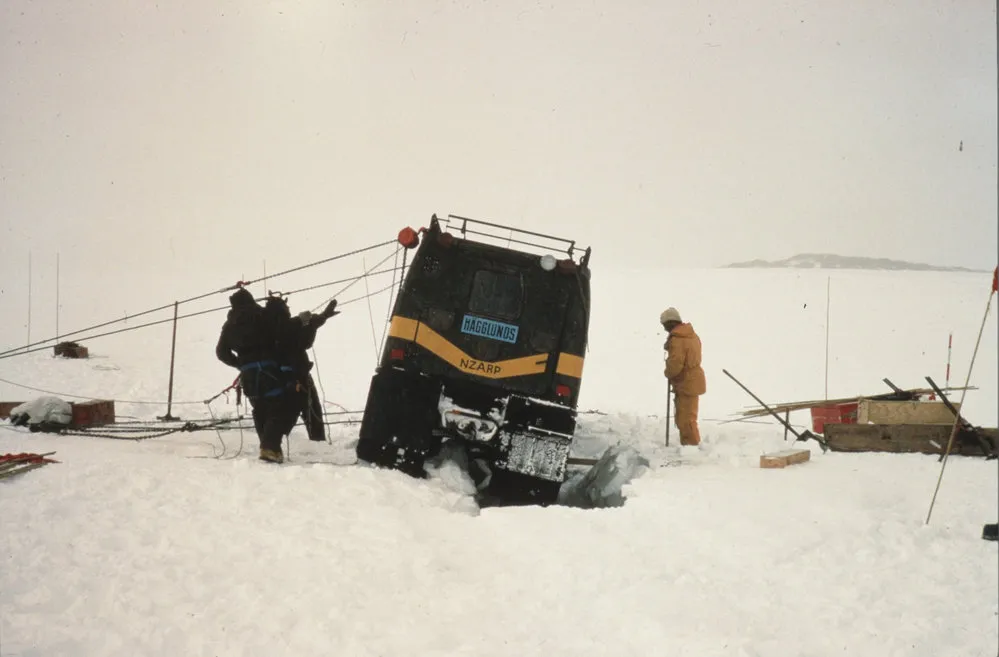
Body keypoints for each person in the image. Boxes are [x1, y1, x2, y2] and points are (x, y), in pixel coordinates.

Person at [215, 287, 301, 463]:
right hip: (269, 370)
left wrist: (241, 364)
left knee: (260, 408)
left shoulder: (229, 325)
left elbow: (221, 352)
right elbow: (282, 333)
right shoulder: (263, 315)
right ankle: (270, 447)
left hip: (249, 375)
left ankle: (269, 447)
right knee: (279, 407)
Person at [263, 294, 340, 443]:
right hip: (297, 375)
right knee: (310, 409)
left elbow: (309, 326)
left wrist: (323, 316)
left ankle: (272, 441)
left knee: (287, 411)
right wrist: (321, 316)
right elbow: (305, 338)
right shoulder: (288, 326)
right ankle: (317, 441)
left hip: (274, 377)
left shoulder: (266, 330)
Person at [661, 307, 706, 446]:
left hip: (686, 382)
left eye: (665, 326)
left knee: (685, 419)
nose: (664, 329)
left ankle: (691, 446)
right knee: (687, 417)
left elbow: (676, 363)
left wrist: (668, 372)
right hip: (691, 381)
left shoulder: (678, 339)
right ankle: (689, 445)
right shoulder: (691, 335)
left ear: (670, 323)